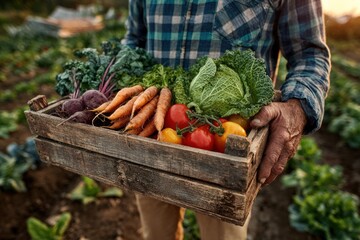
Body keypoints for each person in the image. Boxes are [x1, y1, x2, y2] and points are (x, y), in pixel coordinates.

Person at [121, 0, 331, 239]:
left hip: (229, 147)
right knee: (156, 232)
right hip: (152, 137)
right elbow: (134, 38)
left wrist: (296, 109)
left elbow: (310, 55)